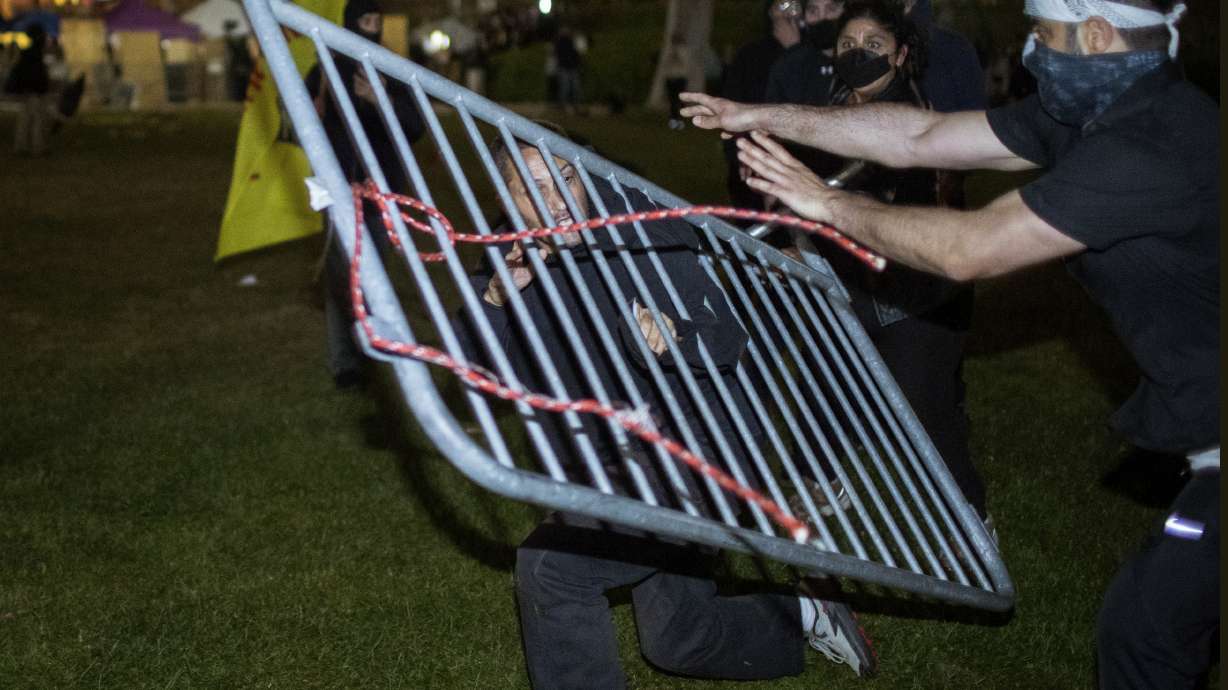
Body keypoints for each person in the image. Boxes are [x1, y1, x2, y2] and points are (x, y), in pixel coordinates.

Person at [680, 0, 1217, 687]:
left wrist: (826, 202)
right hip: (1205, 439)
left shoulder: (1149, 144)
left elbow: (971, 247)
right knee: (1147, 629)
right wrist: (760, 115)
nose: (1029, 52)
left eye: (1043, 36)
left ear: (1098, 36)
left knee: (1147, 631)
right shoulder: (1087, 115)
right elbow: (920, 136)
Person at [453, 129, 878, 688]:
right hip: (610, 464)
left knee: (552, 570)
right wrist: (496, 299)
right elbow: (476, 375)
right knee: (677, 637)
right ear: (507, 200)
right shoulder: (509, 254)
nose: (556, 199)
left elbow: (728, 338)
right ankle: (802, 613)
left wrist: (674, 335)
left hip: (705, 452)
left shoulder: (643, 229)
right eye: (531, 189)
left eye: (567, 178)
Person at [789, 0, 985, 525]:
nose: (859, 55)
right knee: (821, 386)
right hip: (842, 285)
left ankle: (970, 521)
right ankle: (824, 484)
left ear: (900, 56)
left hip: (917, 295)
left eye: (873, 46)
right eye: (848, 46)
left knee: (927, 414)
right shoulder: (823, 115)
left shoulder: (918, 123)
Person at [305, 0, 425, 388]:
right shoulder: (325, 67)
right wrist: (309, 113)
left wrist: (380, 100)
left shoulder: (389, 67)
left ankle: (376, 351)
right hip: (338, 188)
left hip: (382, 191)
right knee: (342, 279)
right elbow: (296, 126)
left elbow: (415, 125)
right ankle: (346, 364)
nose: (371, 28)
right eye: (364, 21)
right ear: (350, 23)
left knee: (376, 280)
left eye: (376, 21)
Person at [720, 1, 804, 209]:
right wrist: (740, 155)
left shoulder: (816, 54)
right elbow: (732, 107)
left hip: (802, 162)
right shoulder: (750, 55)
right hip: (752, 162)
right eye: (781, 4)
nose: (788, 12)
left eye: (794, 5)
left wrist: (795, 50)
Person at [4, 23, 50, 155]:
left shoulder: (27, 53)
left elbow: (20, 72)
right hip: (34, 90)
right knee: (36, 119)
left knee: (25, 118)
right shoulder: (35, 54)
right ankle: (37, 147)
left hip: (27, 90)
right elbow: (36, 75)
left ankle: (21, 146)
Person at [553, 25, 582, 113]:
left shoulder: (572, 41)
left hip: (571, 67)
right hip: (564, 67)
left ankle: (574, 105)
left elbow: (577, 53)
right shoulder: (560, 42)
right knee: (565, 87)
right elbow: (558, 54)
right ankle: (563, 105)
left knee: (573, 87)